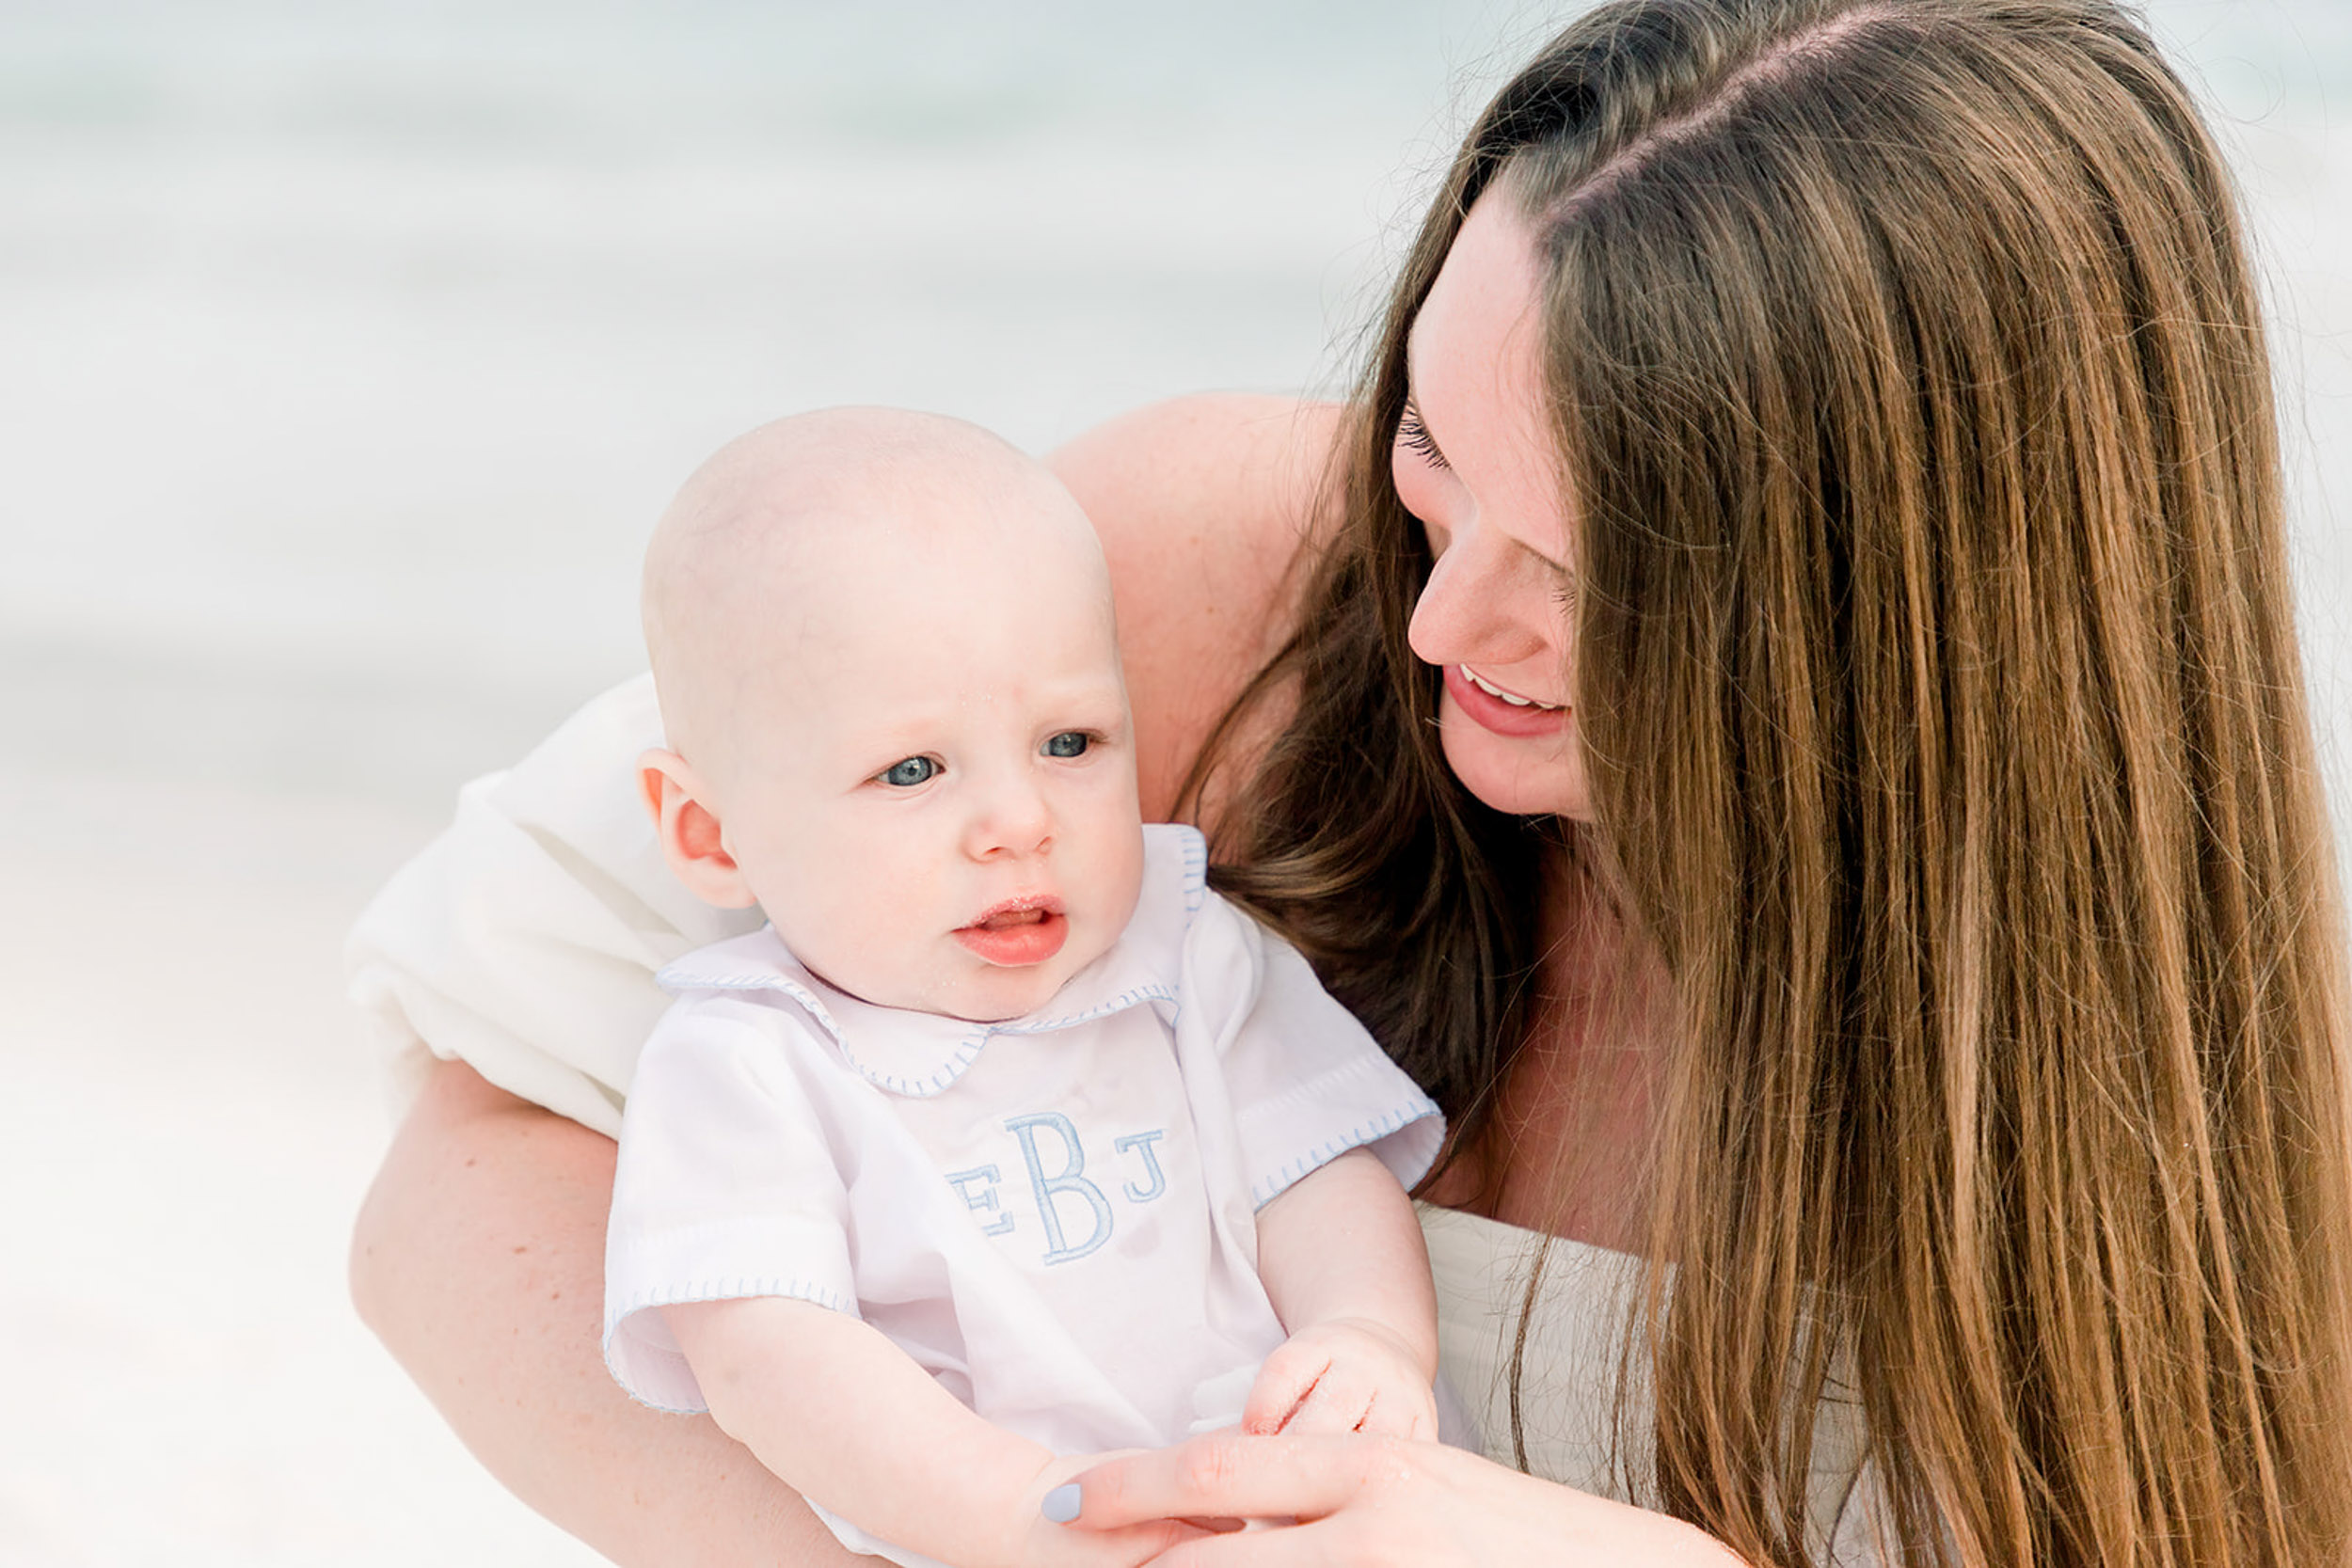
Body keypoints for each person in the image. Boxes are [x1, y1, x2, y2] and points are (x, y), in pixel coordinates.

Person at [345, 0, 2352, 1563]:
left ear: (1921, 622)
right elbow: (469, 1167)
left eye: (1577, 574)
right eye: (1430, 453)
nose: (1434, 620)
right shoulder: (1158, 613)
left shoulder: (2233, 1068)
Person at [604, 406, 1444, 1568]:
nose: (1018, 821)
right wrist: (1017, 1508)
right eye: (913, 768)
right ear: (710, 833)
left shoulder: (1183, 948)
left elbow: (1315, 1167)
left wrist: (1369, 1333)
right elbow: (766, 1352)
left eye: (1070, 742)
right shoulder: (749, 1060)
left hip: (1286, 1501)